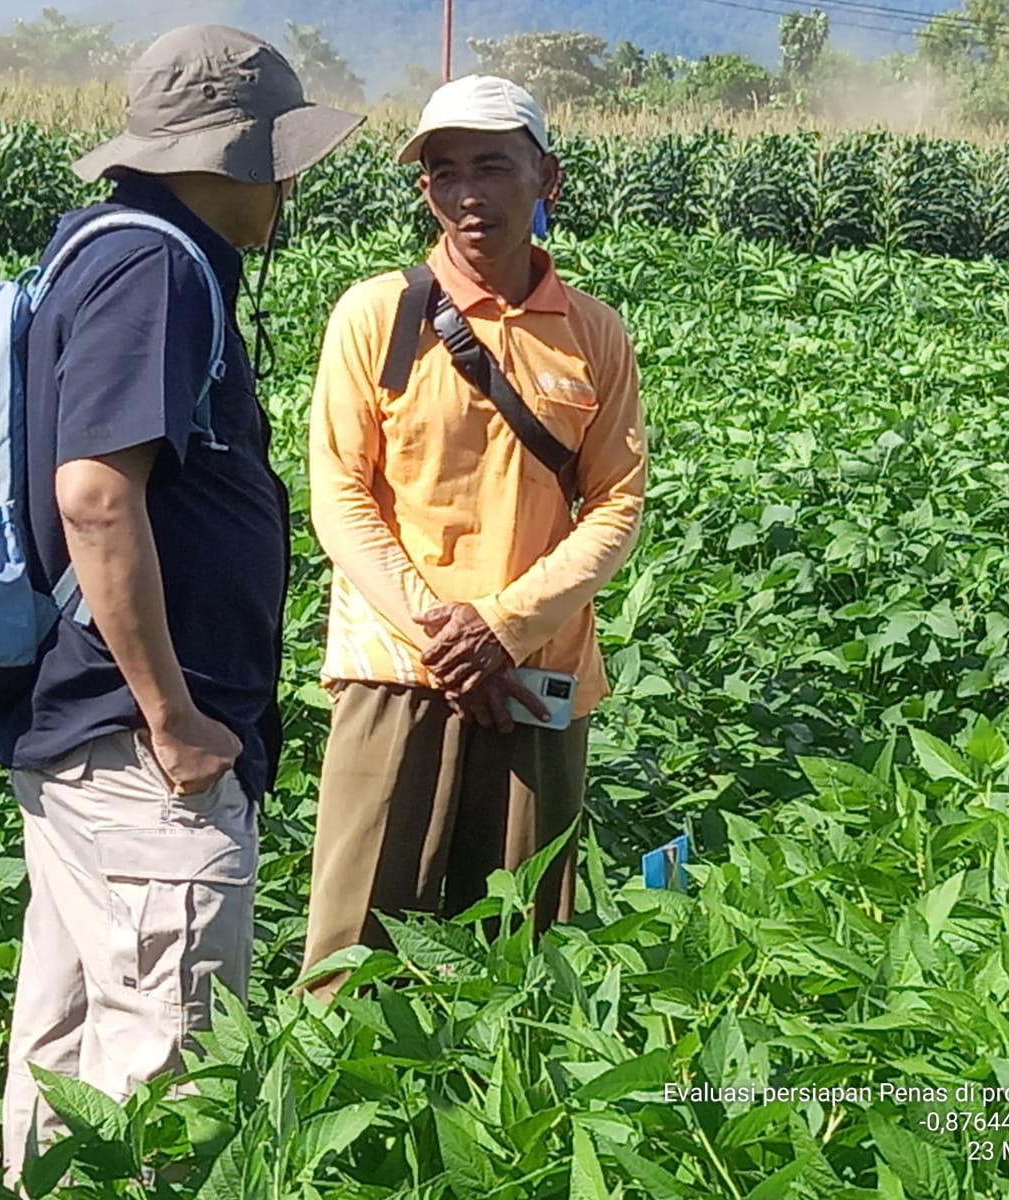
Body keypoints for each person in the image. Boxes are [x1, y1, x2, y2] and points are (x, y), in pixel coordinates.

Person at [0, 25, 360, 1182]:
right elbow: (97, 496)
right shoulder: (153, 265)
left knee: (69, 1059)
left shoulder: (116, 251)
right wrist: (173, 714)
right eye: (279, 156)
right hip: (140, 758)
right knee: (166, 1080)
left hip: (87, 744)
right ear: (231, 156)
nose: (291, 182)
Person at [301, 75, 647, 993]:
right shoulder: (377, 316)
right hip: (395, 666)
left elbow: (616, 505)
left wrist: (505, 625)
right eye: (441, 171)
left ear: (547, 178)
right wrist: (445, 632)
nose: (465, 192)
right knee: (355, 955)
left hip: (535, 674)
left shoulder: (594, 335)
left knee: (519, 952)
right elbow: (338, 494)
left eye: (492, 165)